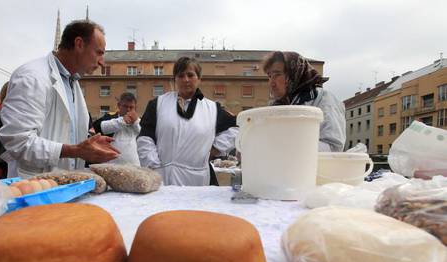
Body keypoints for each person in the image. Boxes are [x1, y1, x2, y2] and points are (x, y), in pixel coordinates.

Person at [0, 20, 119, 178]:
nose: (102, 62)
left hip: (65, 184)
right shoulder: (32, 77)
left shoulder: (72, 83)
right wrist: (75, 151)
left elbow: (65, 132)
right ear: (79, 44)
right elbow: (18, 141)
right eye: (99, 52)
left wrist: (89, 142)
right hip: (34, 187)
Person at [137, 56, 238, 186]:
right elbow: (145, 138)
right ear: (175, 79)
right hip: (163, 177)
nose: (186, 80)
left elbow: (239, 127)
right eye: (180, 75)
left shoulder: (213, 109)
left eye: (191, 75)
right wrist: (153, 166)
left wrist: (217, 147)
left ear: (199, 79)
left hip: (198, 181)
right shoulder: (157, 104)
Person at [263, 51, 346, 152]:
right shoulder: (277, 106)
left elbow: (334, 147)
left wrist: (286, 145)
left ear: (294, 73)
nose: (271, 83)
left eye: (277, 75)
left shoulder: (324, 99)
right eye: (269, 76)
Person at [93, 92, 141, 165]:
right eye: (125, 106)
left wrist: (136, 122)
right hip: (111, 166)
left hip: (134, 166)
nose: (128, 109)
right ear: (119, 105)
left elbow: (144, 135)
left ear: (135, 107)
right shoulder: (110, 117)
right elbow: (98, 127)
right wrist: (121, 121)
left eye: (131, 107)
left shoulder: (138, 121)